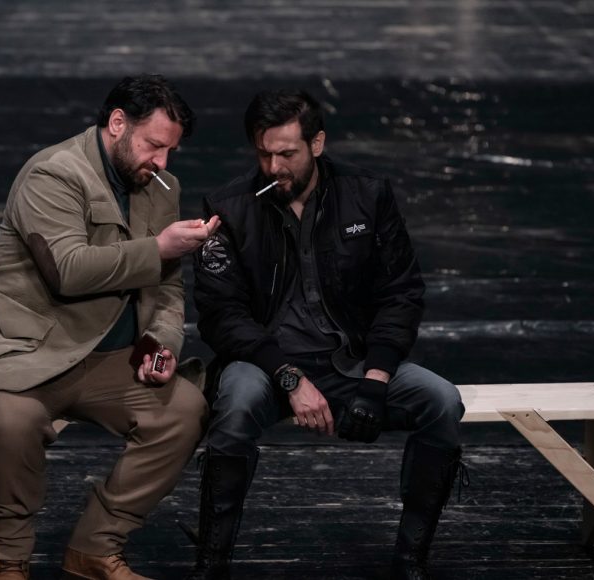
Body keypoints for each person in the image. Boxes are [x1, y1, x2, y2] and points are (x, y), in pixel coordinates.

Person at [189, 89, 464, 580]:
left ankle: (411, 561)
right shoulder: (228, 209)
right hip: (266, 365)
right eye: (263, 154)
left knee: (441, 400)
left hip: (352, 361)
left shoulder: (368, 195)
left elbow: (401, 293)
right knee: (235, 405)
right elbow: (220, 315)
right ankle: (211, 564)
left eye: (287, 154)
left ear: (317, 143)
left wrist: (377, 379)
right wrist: (290, 377)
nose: (274, 167)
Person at [0, 75, 219, 580]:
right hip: (26, 352)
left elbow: (167, 286)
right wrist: (158, 248)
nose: (162, 162)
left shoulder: (161, 187)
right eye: (154, 145)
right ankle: (9, 560)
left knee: (183, 412)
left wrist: (161, 341)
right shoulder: (53, 174)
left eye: (171, 151)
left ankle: (95, 547)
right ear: (118, 123)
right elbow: (68, 270)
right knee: (14, 423)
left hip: (107, 357)